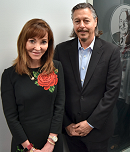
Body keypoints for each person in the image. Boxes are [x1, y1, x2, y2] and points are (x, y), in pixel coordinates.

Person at [53, 3, 122, 152]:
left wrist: (90, 123)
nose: (82, 25)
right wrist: (66, 124)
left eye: (86, 20)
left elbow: (112, 92)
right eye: (77, 21)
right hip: (71, 130)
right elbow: (57, 90)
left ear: (95, 21)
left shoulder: (111, 52)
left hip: (99, 129)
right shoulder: (61, 50)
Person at [1, 19, 65, 152]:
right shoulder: (9, 75)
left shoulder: (56, 67)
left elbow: (60, 106)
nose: (38, 47)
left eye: (43, 42)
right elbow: (11, 117)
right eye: (32, 41)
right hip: (24, 144)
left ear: (49, 44)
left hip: (52, 142)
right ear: (23, 42)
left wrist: (51, 142)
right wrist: (29, 148)